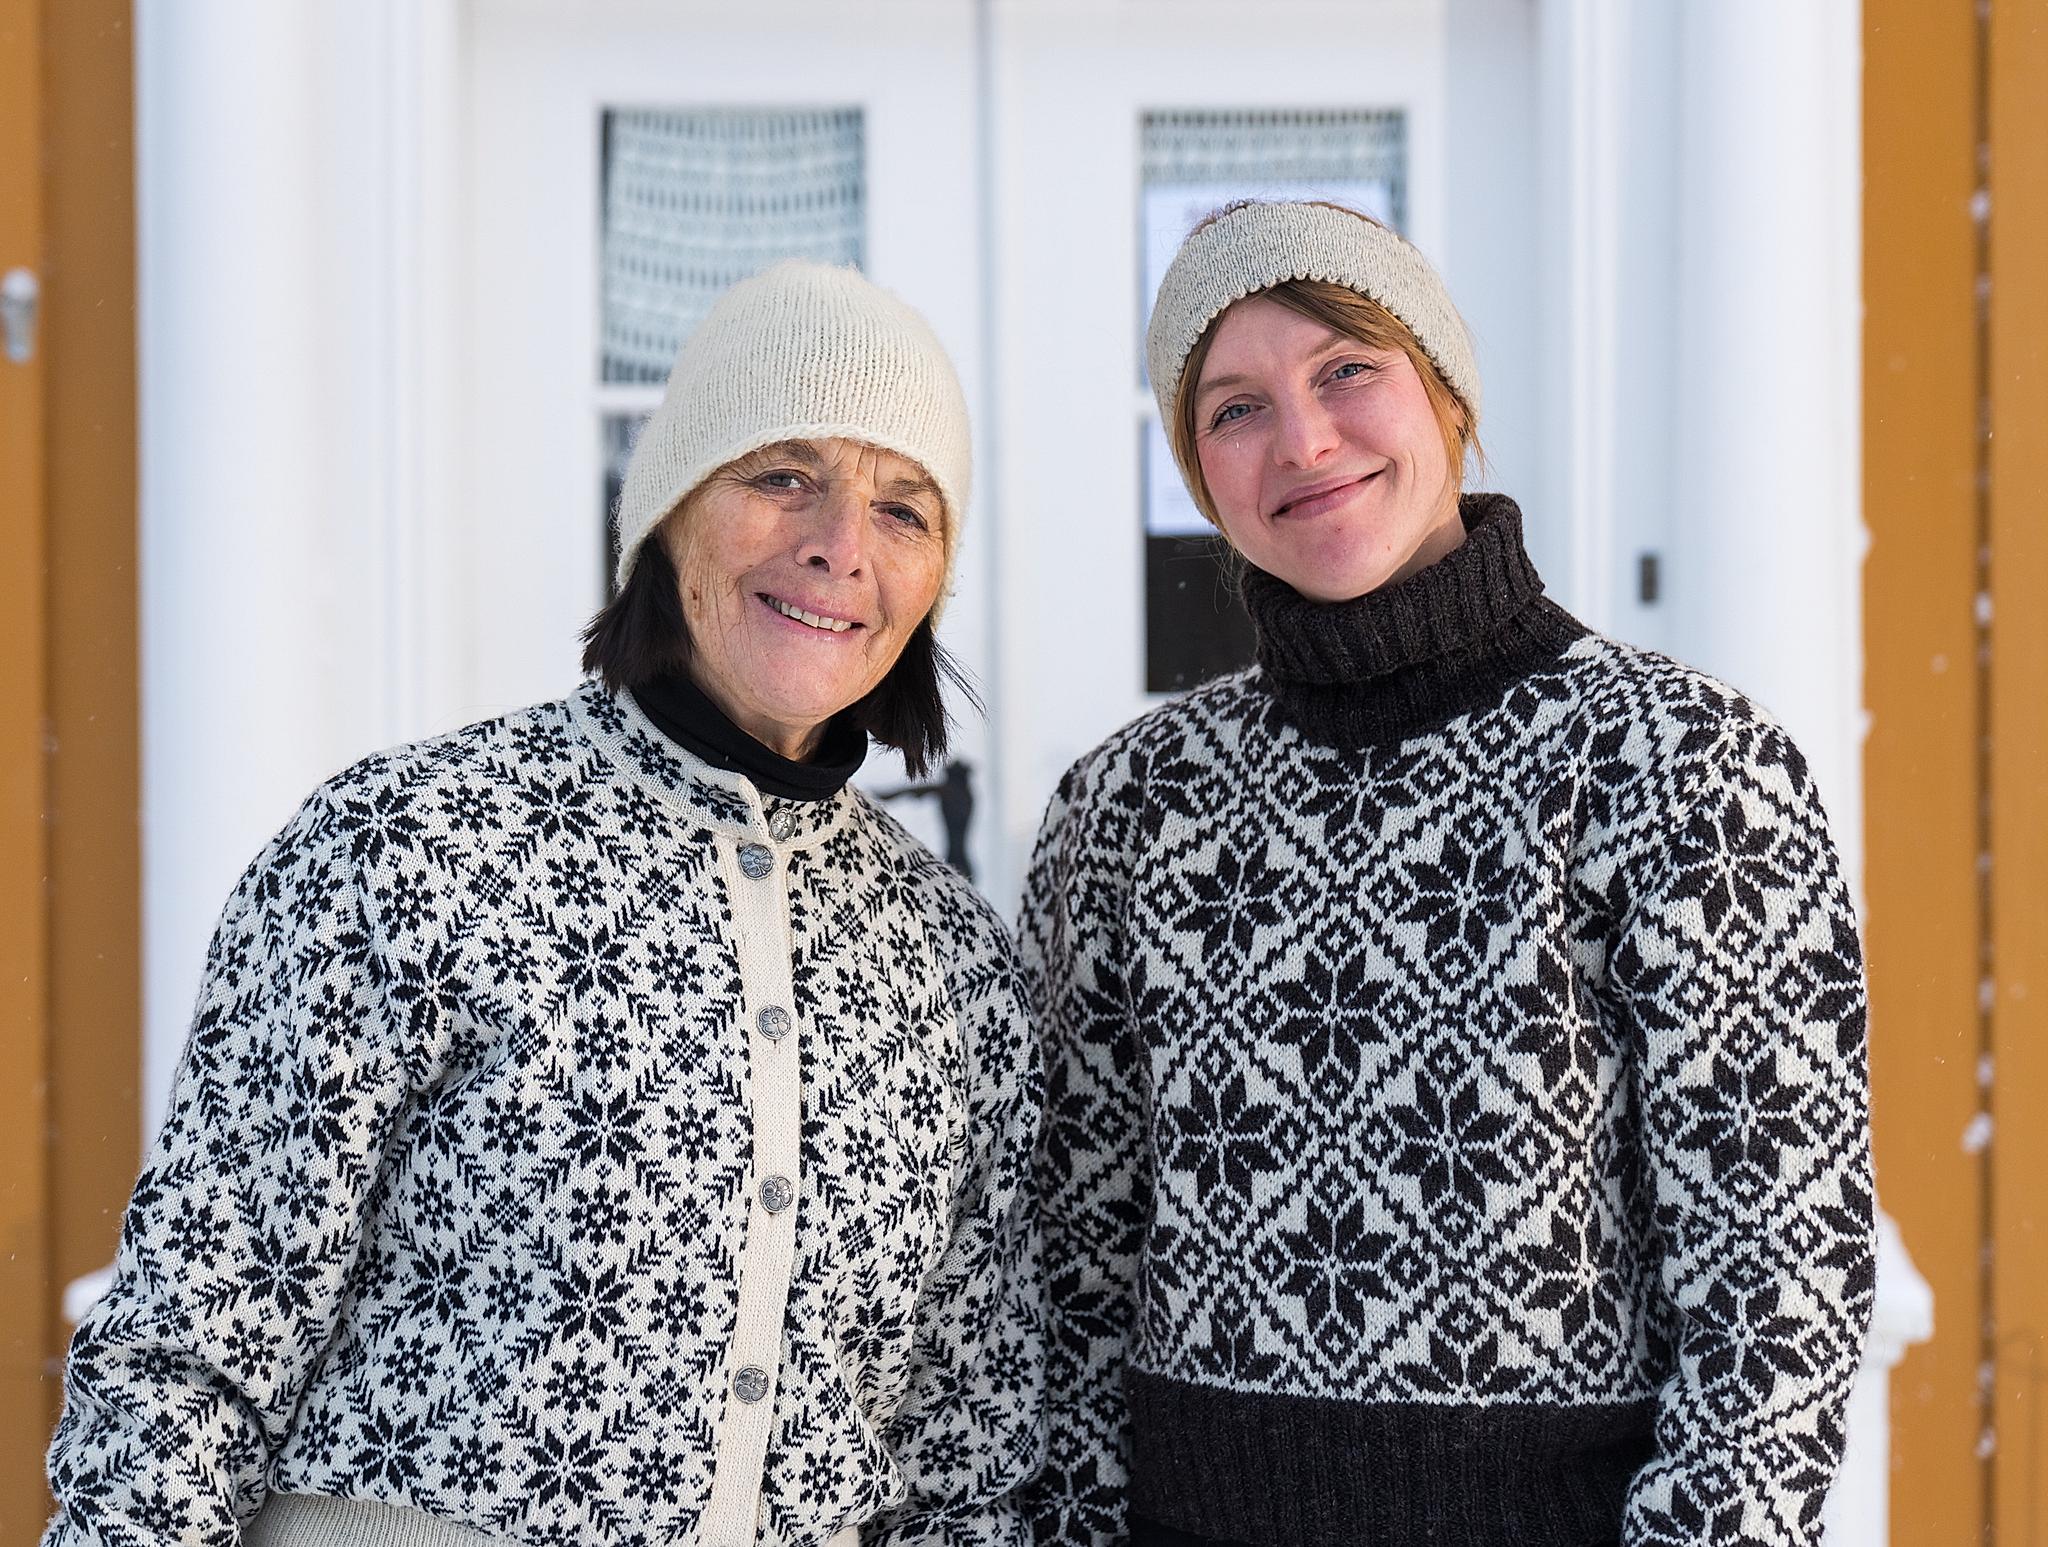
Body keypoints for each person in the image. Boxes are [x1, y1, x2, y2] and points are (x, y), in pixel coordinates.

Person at [44, 261, 1044, 1547]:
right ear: (668, 513)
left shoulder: (954, 964)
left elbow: (971, 1456)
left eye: (903, 509)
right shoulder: (407, 847)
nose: (839, 544)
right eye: (782, 474)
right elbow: (188, 1348)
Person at [1020, 201, 1873, 1547]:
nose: (1303, 440)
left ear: (1448, 392)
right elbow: (1067, 1273)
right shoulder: (1127, 805)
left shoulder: (1673, 763)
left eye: (1347, 369)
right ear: (1196, 474)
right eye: (1234, 408)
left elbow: (1778, 1284)